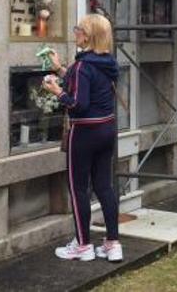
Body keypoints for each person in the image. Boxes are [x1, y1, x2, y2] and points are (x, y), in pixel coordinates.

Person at [43, 14, 123, 262]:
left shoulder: (82, 66)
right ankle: (112, 243)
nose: (74, 31)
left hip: (85, 133)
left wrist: (57, 90)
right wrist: (60, 69)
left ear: (87, 36)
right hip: (107, 129)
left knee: (78, 188)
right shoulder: (106, 62)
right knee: (104, 186)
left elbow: (78, 103)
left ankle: (83, 244)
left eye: (78, 28)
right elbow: (87, 82)